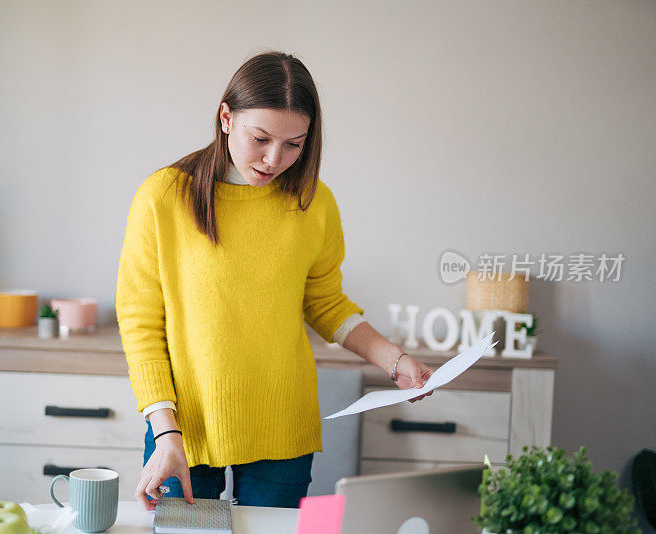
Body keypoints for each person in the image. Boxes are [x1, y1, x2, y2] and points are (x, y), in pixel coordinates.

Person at [116, 50, 433, 511]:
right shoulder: (163, 197)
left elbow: (326, 304)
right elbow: (141, 323)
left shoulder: (313, 202)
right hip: (183, 432)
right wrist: (165, 431)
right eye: (260, 138)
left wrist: (395, 359)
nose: (273, 159)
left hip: (283, 427)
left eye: (294, 144)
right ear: (226, 117)